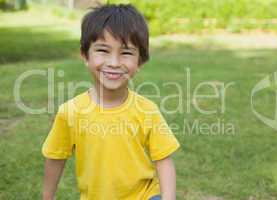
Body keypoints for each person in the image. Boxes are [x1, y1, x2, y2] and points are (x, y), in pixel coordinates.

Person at [42, 3, 180, 200]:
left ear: (139, 61)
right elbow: (55, 157)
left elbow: (164, 160)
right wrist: (47, 197)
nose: (114, 63)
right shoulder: (71, 112)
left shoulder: (146, 110)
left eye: (126, 53)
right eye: (103, 50)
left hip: (145, 196)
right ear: (85, 55)